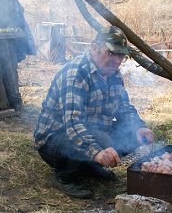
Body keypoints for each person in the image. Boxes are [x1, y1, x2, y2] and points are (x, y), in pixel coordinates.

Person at [34, 26, 154, 198]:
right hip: (55, 138)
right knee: (95, 140)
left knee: (129, 136)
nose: (117, 60)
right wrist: (97, 152)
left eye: (121, 55)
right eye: (111, 53)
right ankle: (65, 177)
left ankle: (89, 167)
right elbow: (73, 123)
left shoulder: (114, 74)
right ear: (94, 48)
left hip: (91, 129)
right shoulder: (76, 73)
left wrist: (138, 128)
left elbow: (124, 107)